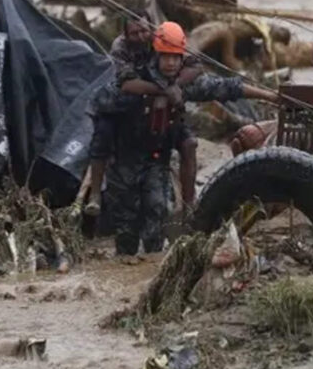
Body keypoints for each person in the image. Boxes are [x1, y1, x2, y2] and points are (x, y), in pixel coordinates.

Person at [95, 21, 279, 256]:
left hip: (155, 161)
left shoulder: (182, 84)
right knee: (126, 232)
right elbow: (104, 114)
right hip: (124, 163)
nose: (171, 63)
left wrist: (270, 96)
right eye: (166, 57)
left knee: (158, 212)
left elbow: (226, 87)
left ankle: (153, 260)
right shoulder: (134, 79)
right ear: (156, 55)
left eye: (176, 57)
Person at [85, 11, 202, 216]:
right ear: (125, 34)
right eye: (134, 33)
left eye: (143, 31)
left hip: (159, 100)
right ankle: (95, 193)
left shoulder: (163, 38)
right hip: (122, 100)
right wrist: (164, 90)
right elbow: (128, 83)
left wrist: (176, 85)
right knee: (103, 133)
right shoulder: (120, 48)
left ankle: (189, 204)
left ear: (152, 29)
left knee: (188, 142)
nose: (140, 37)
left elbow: (196, 65)